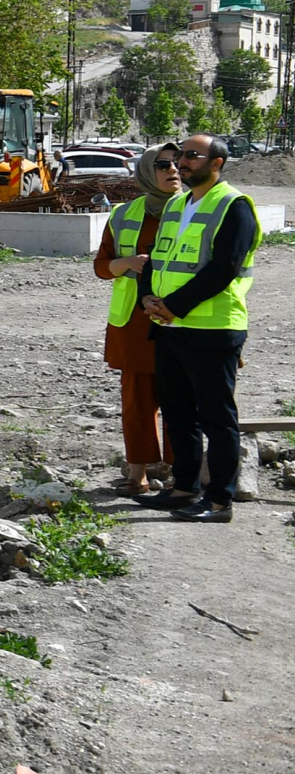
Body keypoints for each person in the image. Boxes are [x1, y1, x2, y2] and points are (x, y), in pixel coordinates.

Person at [143, 132, 258, 521]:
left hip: (212, 328)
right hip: (170, 327)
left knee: (216, 416)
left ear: (217, 163)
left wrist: (173, 306)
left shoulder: (234, 205)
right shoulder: (177, 204)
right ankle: (183, 487)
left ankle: (219, 500)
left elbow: (223, 269)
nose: (182, 163)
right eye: (180, 157)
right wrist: (148, 298)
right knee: (177, 413)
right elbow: (158, 259)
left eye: (192, 156)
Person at [96, 144, 180, 495]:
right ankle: (138, 476)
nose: (173, 169)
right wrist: (127, 263)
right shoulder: (124, 215)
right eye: (163, 164)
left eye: (178, 162)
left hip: (181, 322)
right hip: (133, 325)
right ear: (147, 171)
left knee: (181, 401)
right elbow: (102, 266)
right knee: (137, 404)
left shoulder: (197, 211)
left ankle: (181, 476)